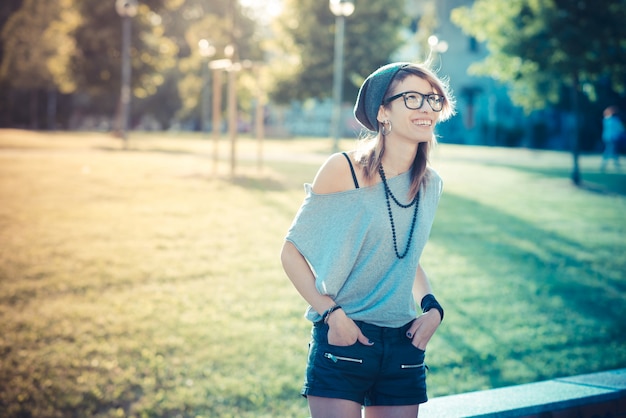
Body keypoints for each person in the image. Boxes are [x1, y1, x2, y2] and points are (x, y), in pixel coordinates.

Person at [280, 62, 455, 418]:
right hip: (345, 340)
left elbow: (404, 256)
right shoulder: (343, 170)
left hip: (405, 348)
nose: (426, 107)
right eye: (412, 98)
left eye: (433, 99)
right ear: (382, 112)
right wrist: (332, 315)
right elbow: (291, 252)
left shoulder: (430, 183)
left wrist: (433, 309)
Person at [601, 106, 624, 171]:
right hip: (613, 137)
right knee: (612, 150)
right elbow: (621, 129)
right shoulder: (615, 120)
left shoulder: (606, 120)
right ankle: (614, 162)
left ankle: (607, 162)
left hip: (607, 137)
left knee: (609, 149)